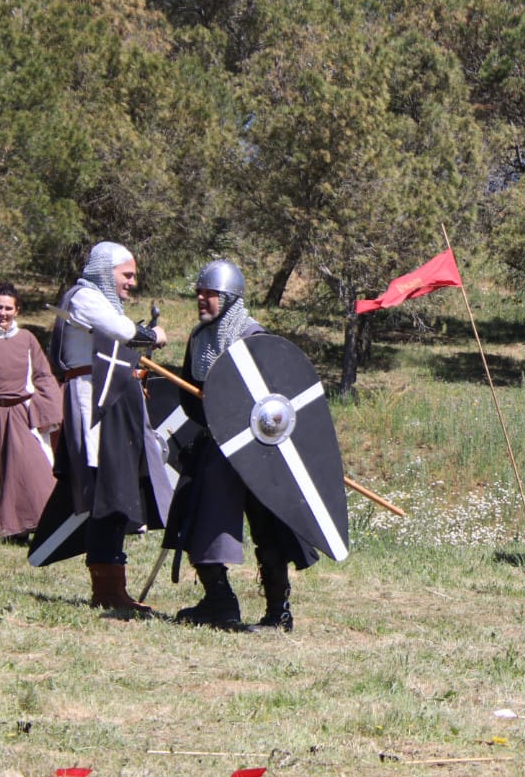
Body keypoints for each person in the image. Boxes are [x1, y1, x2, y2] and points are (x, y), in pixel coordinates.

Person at [163, 260, 322, 631]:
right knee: (199, 518)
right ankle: (219, 601)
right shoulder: (199, 338)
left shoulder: (253, 337)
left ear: (231, 298)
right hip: (215, 447)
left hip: (256, 452)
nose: (202, 299)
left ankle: (277, 611)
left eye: (211, 294)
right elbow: (191, 400)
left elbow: (275, 401)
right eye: (199, 292)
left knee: (269, 527)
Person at [48, 241, 167, 611]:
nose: (131, 282)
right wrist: (152, 336)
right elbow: (119, 329)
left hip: (110, 399)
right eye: (126, 275)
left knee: (115, 491)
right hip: (93, 401)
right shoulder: (83, 297)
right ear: (105, 271)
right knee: (107, 492)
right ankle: (107, 589)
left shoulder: (94, 300)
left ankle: (113, 586)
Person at [0, 283, 63, 541]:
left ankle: (31, 526)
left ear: (17, 310)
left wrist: (48, 412)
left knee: (35, 472)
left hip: (22, 414)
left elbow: (43, 376)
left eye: (9, 308)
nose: (3, 312)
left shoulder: (27, 339)